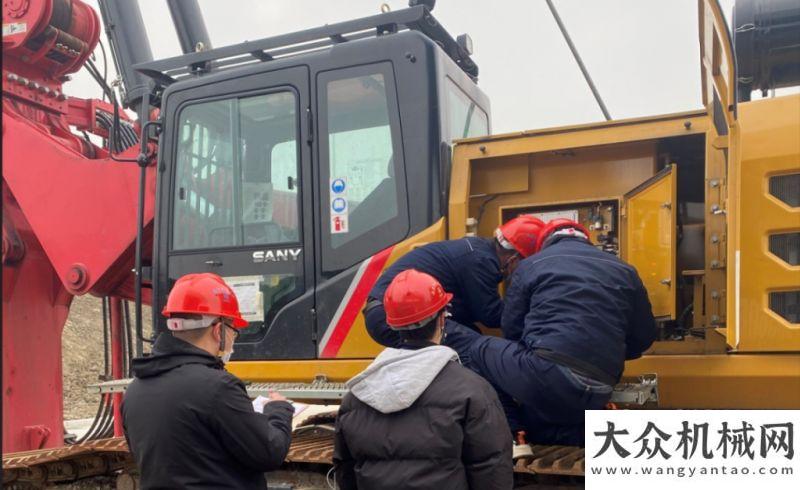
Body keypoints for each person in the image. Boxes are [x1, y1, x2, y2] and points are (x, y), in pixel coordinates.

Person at [444, 219, 657, 449]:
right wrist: (600, 355)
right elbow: (644, 337)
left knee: (478, 349)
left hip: (548, 376)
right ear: (586, 239)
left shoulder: (531, 266)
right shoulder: (626, 270)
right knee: (554, 401)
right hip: (601, 385)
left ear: (546, 242)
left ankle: (512, 434)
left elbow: (512, 329)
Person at [334, 269, 513, 490]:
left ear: (392, 325)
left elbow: (346, 472)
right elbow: (492, 469)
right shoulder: (472, 390)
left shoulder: (356, 397)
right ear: (442, 320)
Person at [123, 273, 294, 489]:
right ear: (218, 330)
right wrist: (278, 410)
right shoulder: (218, 387)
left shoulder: (135, 391)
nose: (233, 338)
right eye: (234, 330)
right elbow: (269, 453)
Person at [364, 215, 545, 348]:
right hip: (390, 317)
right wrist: (540, 316)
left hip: (388, 314)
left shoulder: (478, 251)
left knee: (470, 334)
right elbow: (491, 315)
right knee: (477, 349)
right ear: (514, 258)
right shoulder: (480, 261)